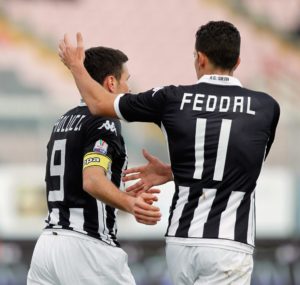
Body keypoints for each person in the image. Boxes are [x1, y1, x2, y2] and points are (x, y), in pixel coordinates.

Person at [58, 21, 280, 285]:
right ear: (238, 61)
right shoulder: (266, 107)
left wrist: (76, 66)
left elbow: (98, 103)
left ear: (200, 58)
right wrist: (176, 172)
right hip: (229, 242)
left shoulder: (171, 98)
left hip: (180, 239)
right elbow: (238, 164)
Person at [27, 46, 161, 285]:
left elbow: (77, 178)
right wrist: (131, 204)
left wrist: (119, 193)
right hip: (87, 249)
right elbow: (92, 180)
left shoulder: (63, 120)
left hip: (46, 248)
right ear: (111, 82)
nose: (129, 89)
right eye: (125, 80)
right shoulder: (103, 121)